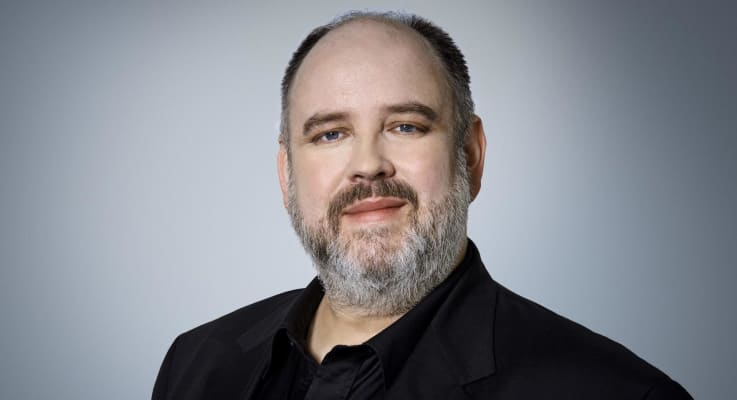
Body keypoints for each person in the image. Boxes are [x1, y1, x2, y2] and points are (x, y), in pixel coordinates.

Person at [152, 11, 692, 399]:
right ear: (285, 174)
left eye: (405, 126)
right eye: (330, 134)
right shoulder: (195, 365)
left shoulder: (616, 390)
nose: (368, 165)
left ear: (470, 155)